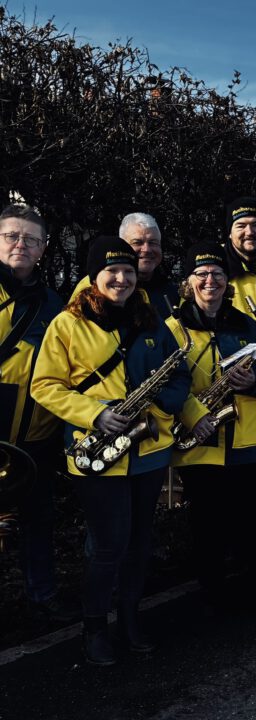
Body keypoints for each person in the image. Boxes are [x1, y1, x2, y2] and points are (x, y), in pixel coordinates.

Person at [31, 236, 190, 666]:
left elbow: (178, 375)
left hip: (148, 448)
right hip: (97, 451)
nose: (121, 279)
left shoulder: (152, 320)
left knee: (140, 542)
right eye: (111, 271)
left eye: (128, 271)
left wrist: (168, 406)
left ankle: (131, 618)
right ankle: (95, 626)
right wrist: (95, 414)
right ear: (93, 276)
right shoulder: (66, 324)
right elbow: (44, 386)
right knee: (109, 545)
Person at [169, 242, 256, 608]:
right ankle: (213, 597)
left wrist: (255, 382)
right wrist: (193, 415)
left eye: (217, 273)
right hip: (200, 440)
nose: (210, 281)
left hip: (247, 439)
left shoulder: (247, 325)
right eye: (201, 274)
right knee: (208, 524)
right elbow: (167, 384)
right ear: (188, 282)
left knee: (254, 521)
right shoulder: (173, 328)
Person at [0, 204, 73, 622]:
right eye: (11, 236)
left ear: (44, 248)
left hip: (37, 436)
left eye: (30, 239)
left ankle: (42, 596)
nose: (20, 245)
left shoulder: (53, 302)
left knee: (38, 521)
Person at [71, 212, 178, 311]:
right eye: (137, 242)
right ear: (121, 245)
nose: (146, 249)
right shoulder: (93, 287)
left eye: (153, 242)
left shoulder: (171, 290)